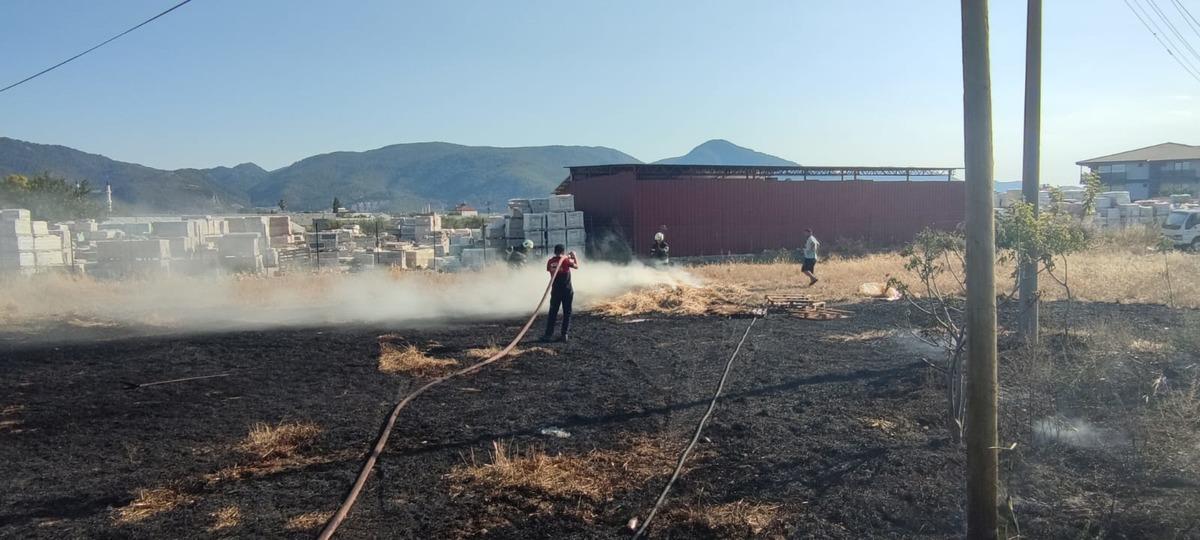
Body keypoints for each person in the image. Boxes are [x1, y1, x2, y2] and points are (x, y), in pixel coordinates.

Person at [540, 244, 578, 342]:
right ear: (563, 252)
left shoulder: (550, 261)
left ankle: (548, 335)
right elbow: (576, 266)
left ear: (554, 251)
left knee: (552, 312)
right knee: (567, 312)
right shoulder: (566, 260)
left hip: (555, 291)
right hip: (567, 291)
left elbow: (550, 270)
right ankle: (564, 334)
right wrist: (574, 256)